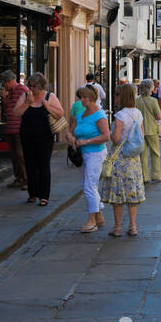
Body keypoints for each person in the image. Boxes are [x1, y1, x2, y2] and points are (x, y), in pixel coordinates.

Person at [14, 72, 65, 206]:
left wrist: (48, 106)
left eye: (34, 86)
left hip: (45, 136)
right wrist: (26, 104)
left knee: (43, 164)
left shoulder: (50, 96)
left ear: (41, 86)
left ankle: (44, 195)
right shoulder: (25, 96)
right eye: (30, 86)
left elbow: (60, 114)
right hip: (27, 135)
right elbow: (16, 113)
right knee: (30, 164)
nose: (32, 89)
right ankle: (32, 193)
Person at [101, 84, 146, 236]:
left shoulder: (120, 116)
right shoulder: (138, 113)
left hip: (120, 158)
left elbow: (116, 138)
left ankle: (118, 227)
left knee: (119, 194)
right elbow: (142, 135)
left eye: (117, 94)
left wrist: (111, 131)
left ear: (122, 96)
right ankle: (133, 226)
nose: (115, 97)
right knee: (132, 193)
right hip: (133, 158)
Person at [66, 86, 108, 232]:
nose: (81, 100)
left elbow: (106, 136)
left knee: (89, 186)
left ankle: (92, 220)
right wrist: (71, 138)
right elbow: (70, 132)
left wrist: (87, 141)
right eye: (80, 97)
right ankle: (99, 215)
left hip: (96, 153)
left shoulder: (99, 115)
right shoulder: (81, 115)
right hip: (83, 154)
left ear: (91, 98)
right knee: (88, 185)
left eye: (84, 97)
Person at [0, 70, 29, 191]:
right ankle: (19, 178)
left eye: (4, 83)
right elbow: (7, 109)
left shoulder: (23, 90)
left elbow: (28, 106)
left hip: (19, 128)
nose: (4, 86)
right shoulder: (9, 92)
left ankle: (27, 179)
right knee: (14, 156)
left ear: (10, 81)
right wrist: (4, 98)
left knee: (21, 155)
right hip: (10, 128)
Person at [137, 79, 161, 184]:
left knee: (142, 155)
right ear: (150, 88)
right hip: (152, 129)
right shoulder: (153, 101)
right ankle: (156, 175)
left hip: (140, 130)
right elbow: (159, 116)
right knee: (155, 153)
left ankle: (144, 176)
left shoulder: (137, 101)